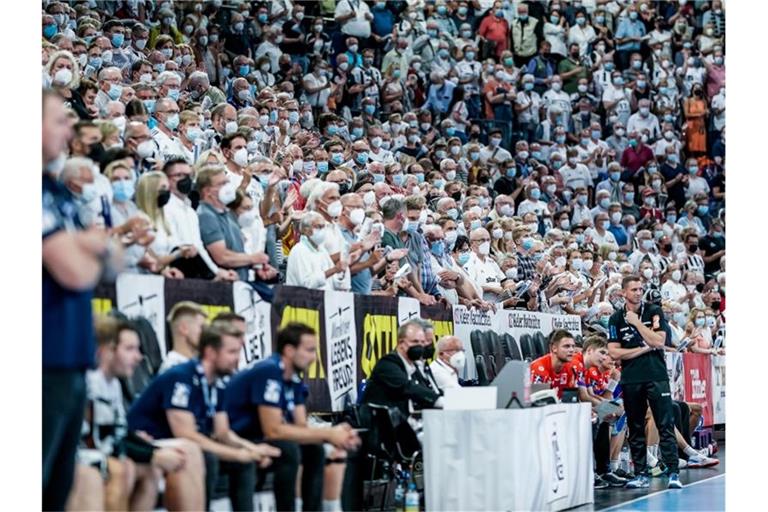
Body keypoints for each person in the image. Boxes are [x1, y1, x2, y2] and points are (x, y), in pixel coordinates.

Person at [43, 90, 121, 511]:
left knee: (58, 488)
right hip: (42, 356)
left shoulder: (60, 195)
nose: (68, 130)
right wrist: (93, 247)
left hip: (72, 357)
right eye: (57, 120)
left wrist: (92, 246)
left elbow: (113, 260)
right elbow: (76, 271)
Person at [127, 326, 281, 510]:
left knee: (244, 463)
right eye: (231, 352)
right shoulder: (181, 377)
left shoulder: (217, 383)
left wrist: (252, 450)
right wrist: (238, 454)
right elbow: (186, 434)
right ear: (210, 352)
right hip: (149, 442)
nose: (237, 359)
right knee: (209, 458)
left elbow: (223, 432)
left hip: (183, 444)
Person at [226, 323, 361, 512]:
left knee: (314, 448)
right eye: (309, 350)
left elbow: (301, 427)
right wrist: (329, 434)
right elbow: (272, 430)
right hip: (236, 435)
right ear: (289, 350)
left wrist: (335, 434)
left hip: (261, 435)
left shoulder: (295, 379)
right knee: (288, 450)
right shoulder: (269, 371)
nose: (314, 357)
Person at [85, 316, 205, 510]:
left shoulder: (113, 383)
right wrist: (153, 455)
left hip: (105, 453)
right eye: (130, 349)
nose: (139, 357)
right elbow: (100, 442)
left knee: (161, 466)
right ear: (107, 350)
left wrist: (153, 453)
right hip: (85, 458)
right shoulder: (89, 383)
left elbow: (120, 433)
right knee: (125, 469)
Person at [607, 276, 681, 490]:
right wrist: (641, 348)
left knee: (665, 424)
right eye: (634, 289)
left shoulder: (653, 311)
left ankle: (673, 472)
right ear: (623, 293)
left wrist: (637, 323)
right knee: (636, 427)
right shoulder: (615, 318)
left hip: (656, 376)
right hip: (631, 379)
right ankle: (640, 474)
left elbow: (658, 341)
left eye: (641, 289)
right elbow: (613, 351)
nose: (639, 292)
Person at [362, 320, 444, 417]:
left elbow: (426, 390)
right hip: (383, 425)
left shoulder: (415, 366)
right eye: (415, 341)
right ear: (401, 343)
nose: (420, 346)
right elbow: (408, 387)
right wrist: (440, 401)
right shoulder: (387, 364)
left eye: (422, 342)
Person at [159, 301, 208, 373]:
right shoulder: (171, 369)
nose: (205, 332)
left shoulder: (197, 365)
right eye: (201, 327)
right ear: (184, 329)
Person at [530, 330, 579, 398]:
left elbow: (570, 399)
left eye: (573, 346)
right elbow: (538, 403)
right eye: (566, 346)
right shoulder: (539, 368)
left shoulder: (570, 369)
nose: (571, 350)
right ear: (554, 348)